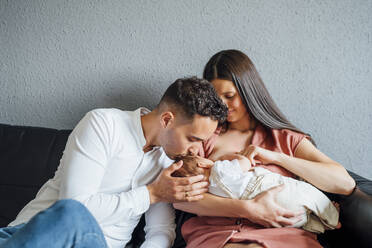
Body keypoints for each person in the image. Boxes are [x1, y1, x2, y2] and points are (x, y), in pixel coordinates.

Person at [0, 77, 228, 248]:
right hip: (27, 235)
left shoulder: (167, 163)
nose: (196, 150)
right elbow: (75, 205)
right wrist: (150, 194)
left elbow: (160, 231)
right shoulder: (104, 124)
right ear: (167, 120)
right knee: (72, 212)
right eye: (193, 139)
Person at [174, 50, 356, 248]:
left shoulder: (285, 138)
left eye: (229, 96)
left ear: (248, 92)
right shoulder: (205, 138)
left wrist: (277, 158)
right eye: (217, 99)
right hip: (217, 234)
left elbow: (344, 183)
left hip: (282, 234)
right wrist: (248, 209)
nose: (223, 106)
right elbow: (181, 199)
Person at [172, 154, 340, 234]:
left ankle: (318, 226)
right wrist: (232, 156)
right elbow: (244, 162)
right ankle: (332, 218)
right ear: (202, 163)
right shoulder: (218, 168)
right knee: (308, 193)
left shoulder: (207, 189)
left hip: (275, 220)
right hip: (264, 188)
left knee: (300, 220)